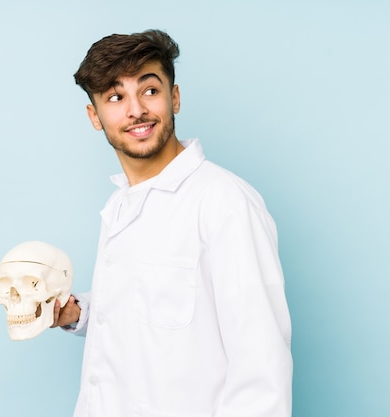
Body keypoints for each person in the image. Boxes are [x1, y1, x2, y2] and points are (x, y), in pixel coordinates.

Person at [51, 29, 293, 417]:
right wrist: (78, 314)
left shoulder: (224, 202)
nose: (135, 110)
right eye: (115, 97)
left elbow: (261, 367)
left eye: (149, 90)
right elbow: (154, 314)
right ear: (95, 117)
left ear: (174, 98)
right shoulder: (120, 204)